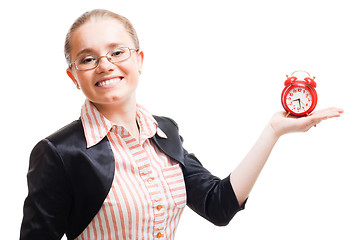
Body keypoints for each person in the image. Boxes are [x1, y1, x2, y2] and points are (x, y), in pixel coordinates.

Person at [20, 9, 343, 240]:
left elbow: (219, 206)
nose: (105, 65)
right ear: (73, 75)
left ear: (139, 60)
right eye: (88, 59)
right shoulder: (59, 153)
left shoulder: (164, 132)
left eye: (117, 52)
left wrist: (273, 131)